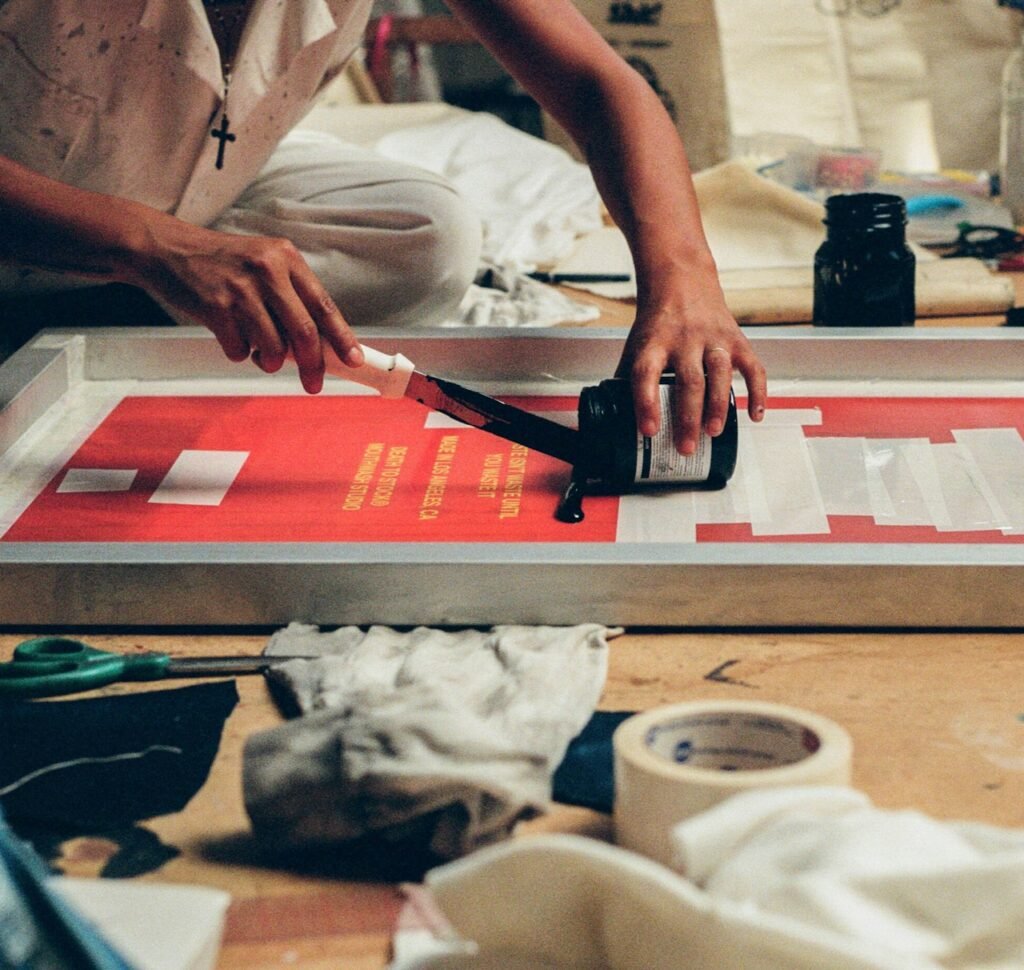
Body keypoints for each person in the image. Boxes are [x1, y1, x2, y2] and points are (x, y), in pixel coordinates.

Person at [0, 0, 766, 456]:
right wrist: (153, 247)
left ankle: (142, 298)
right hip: (26, 229)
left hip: (189, 183)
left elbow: (600, 85)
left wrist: (686, 281)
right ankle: (109, 291)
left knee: (429, 237)